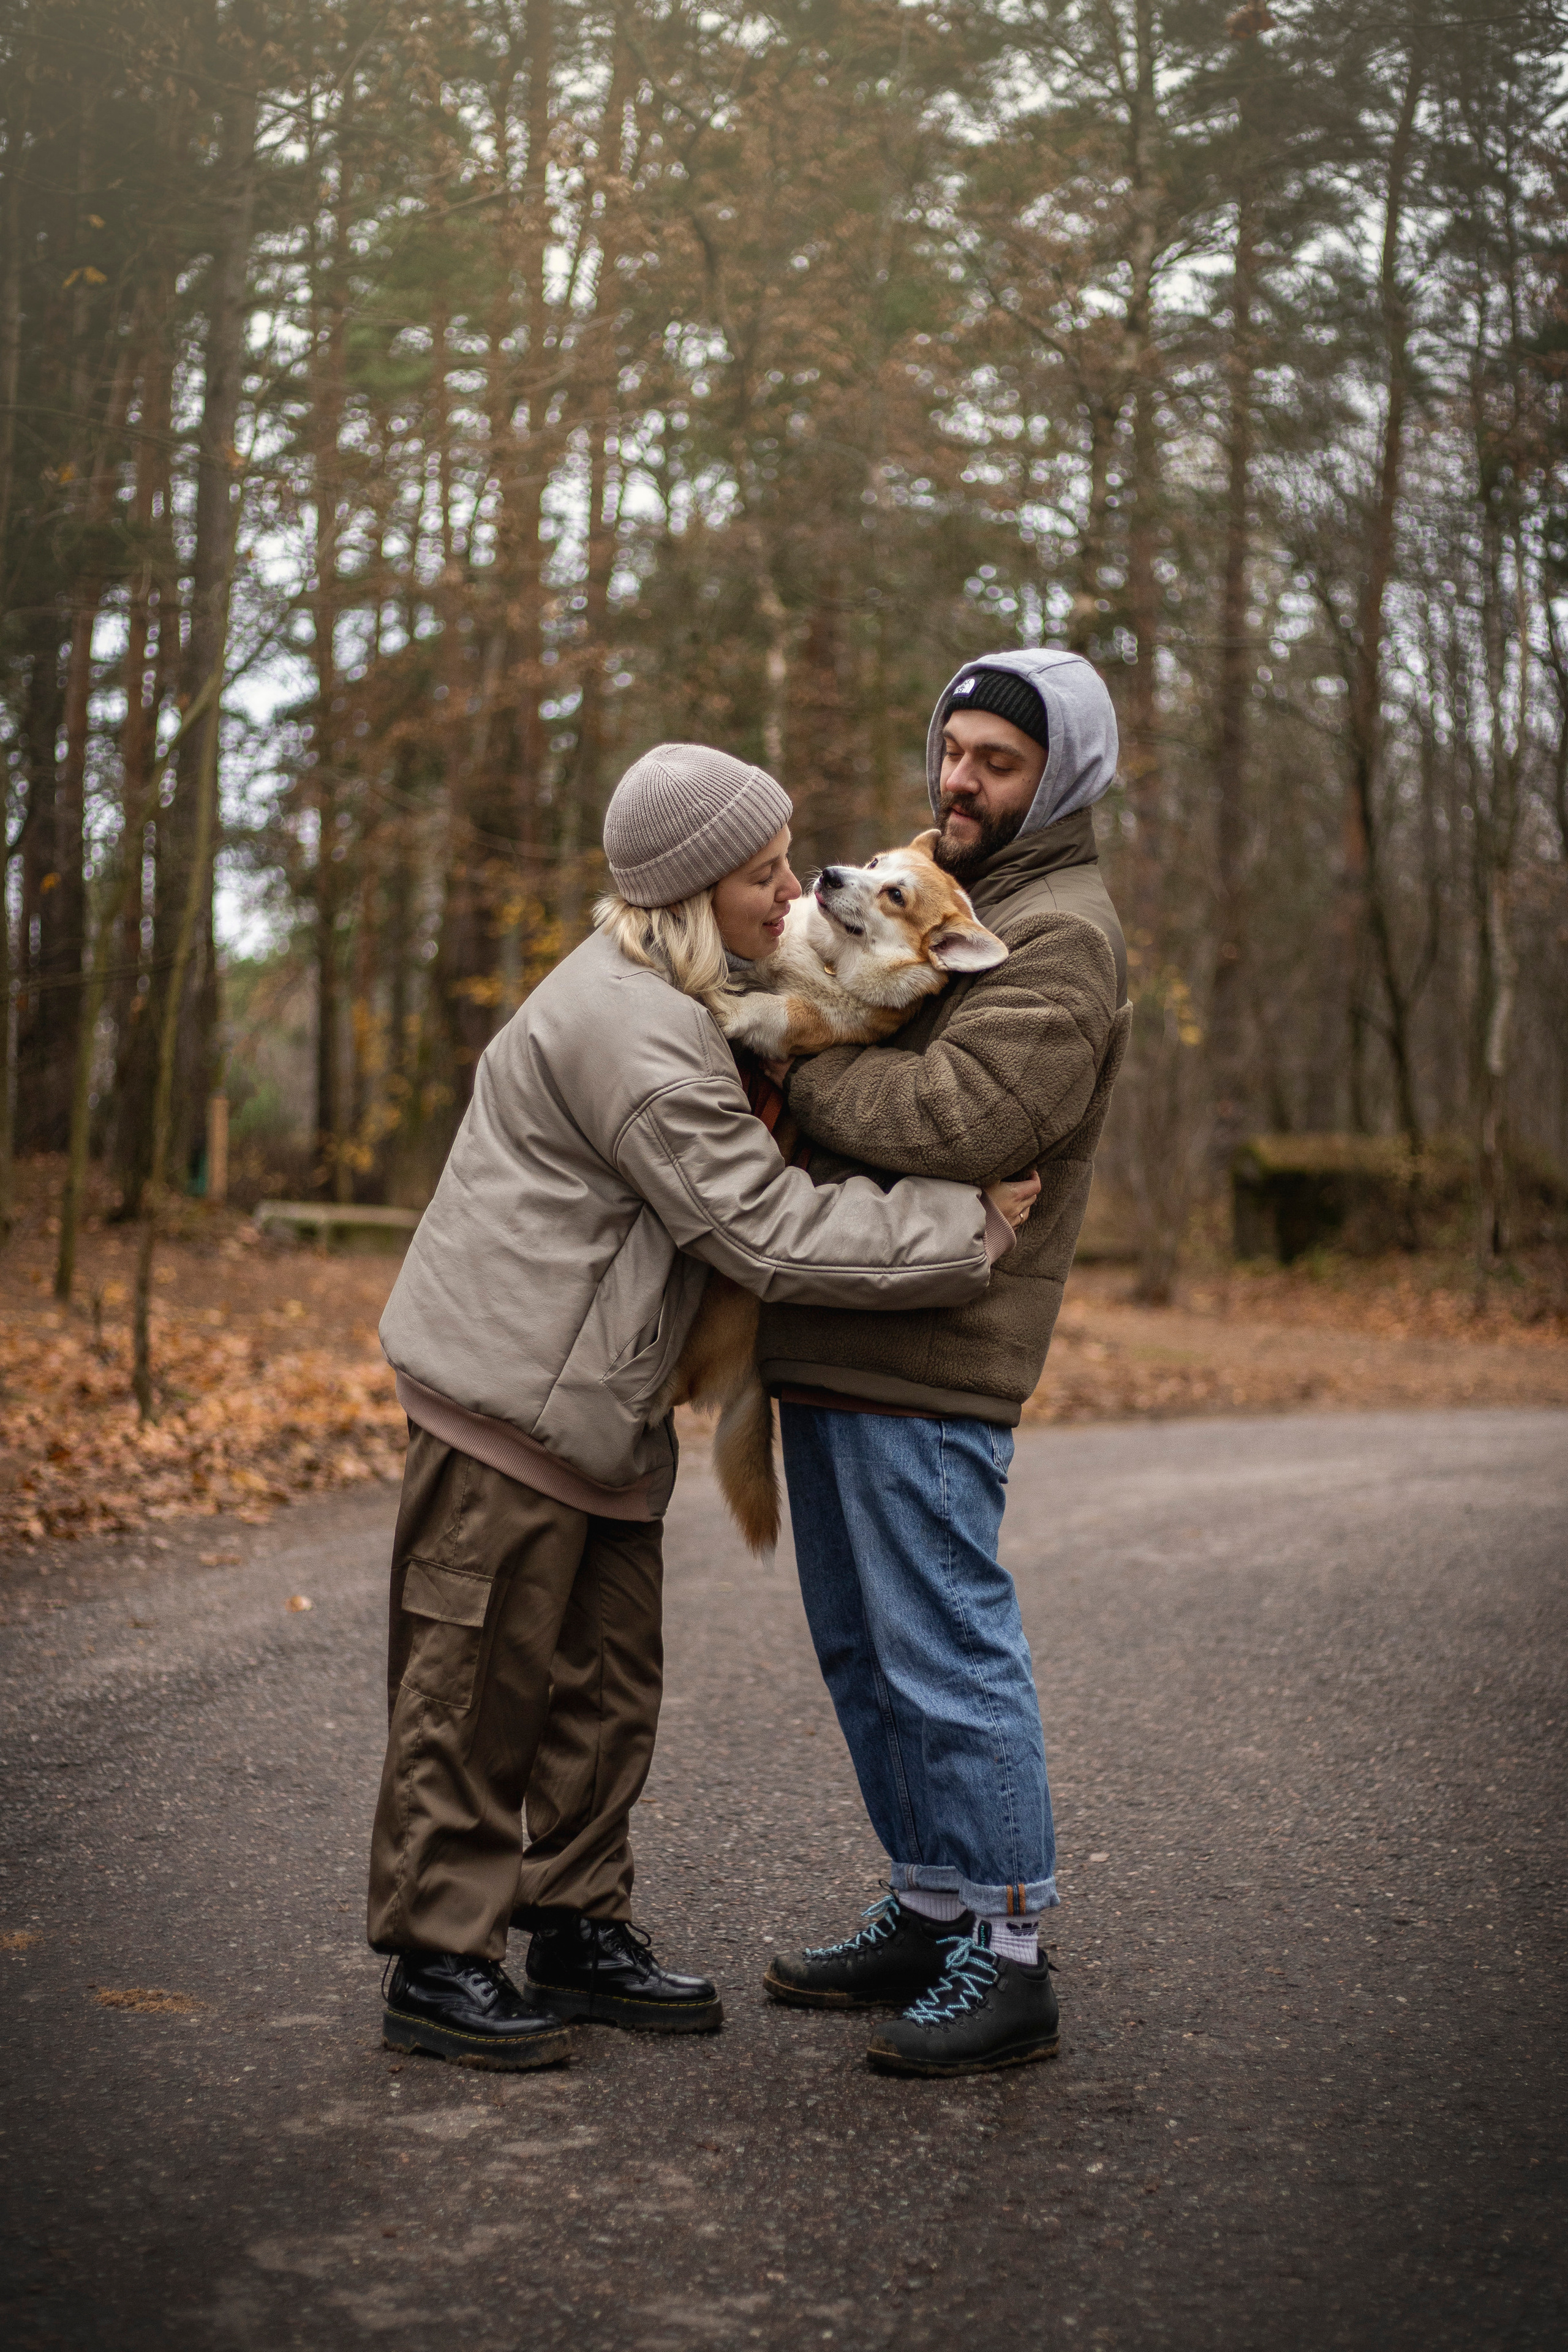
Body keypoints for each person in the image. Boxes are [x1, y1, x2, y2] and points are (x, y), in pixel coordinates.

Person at [366, 742, 1035, 2071]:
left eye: (785, 860)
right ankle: (440, 1962)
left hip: (596, 1402)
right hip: (507, 1398)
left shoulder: (691, 987)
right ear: (685, 892)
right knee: (478, 1683)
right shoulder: (633, 1030)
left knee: (604, 1685)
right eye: (761, 870)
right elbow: (765, 1231)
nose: (790, 887)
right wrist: (962, 1231)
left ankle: (574, 1926)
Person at [760, 649, 1131, 2076]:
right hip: (847, 1329)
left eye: (999, 762)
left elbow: (965, 1119)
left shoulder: (1056, 934)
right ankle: (929, 1904)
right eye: (955, 750)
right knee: (867, 1654)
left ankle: (1011, 1957)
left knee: (946, 1653)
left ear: (1061, 779)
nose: (959, 780)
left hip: (935, 1348)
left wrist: (798, 1063)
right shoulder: (955, 884)